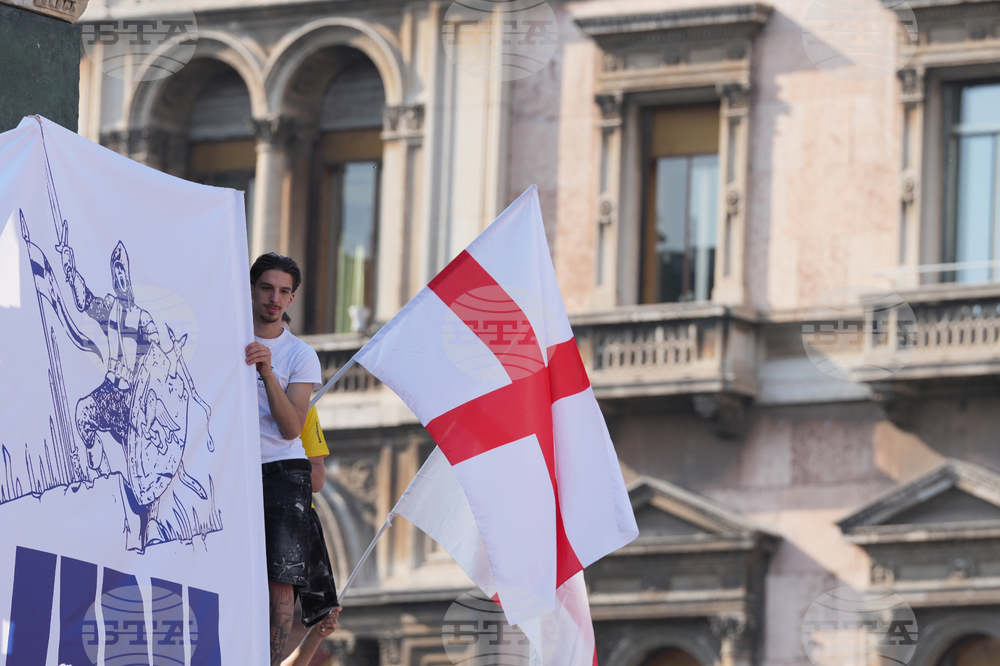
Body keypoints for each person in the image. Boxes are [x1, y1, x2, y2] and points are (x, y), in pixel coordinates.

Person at [245, 253, 322, 665]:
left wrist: (267, 372)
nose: (274, 298)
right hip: (232, 466)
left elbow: (292, 427)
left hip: (282, 472)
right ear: (251, 289)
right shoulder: (226, 336)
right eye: (267, 288)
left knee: (281, 579)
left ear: (292, 299)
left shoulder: (300, 355)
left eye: (283, 291)